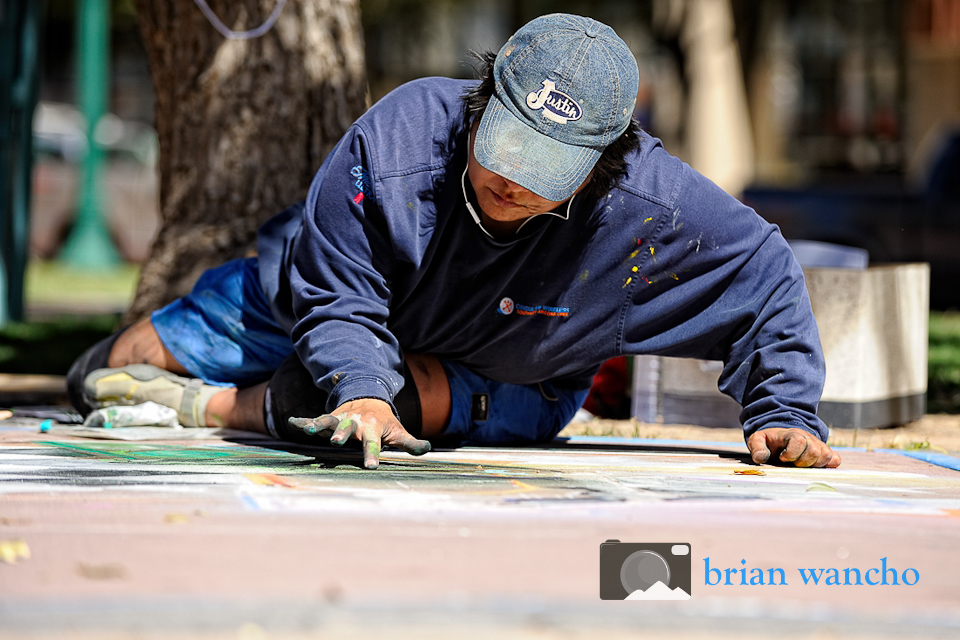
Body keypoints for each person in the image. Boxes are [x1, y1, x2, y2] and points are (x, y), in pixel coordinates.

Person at [67, 14, 841, 470]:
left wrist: (784, 410)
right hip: (307, 298)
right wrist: (361, 383)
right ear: (481, 103)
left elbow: (767, 273)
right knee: (106, 371)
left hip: (501, 376)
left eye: (546, 171)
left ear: (607, 164)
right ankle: (175, 383)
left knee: (342, 421)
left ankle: (209, 409)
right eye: (503, 147)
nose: (512, 181)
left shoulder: (650, 204)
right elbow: (335, 293)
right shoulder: (395, 141)